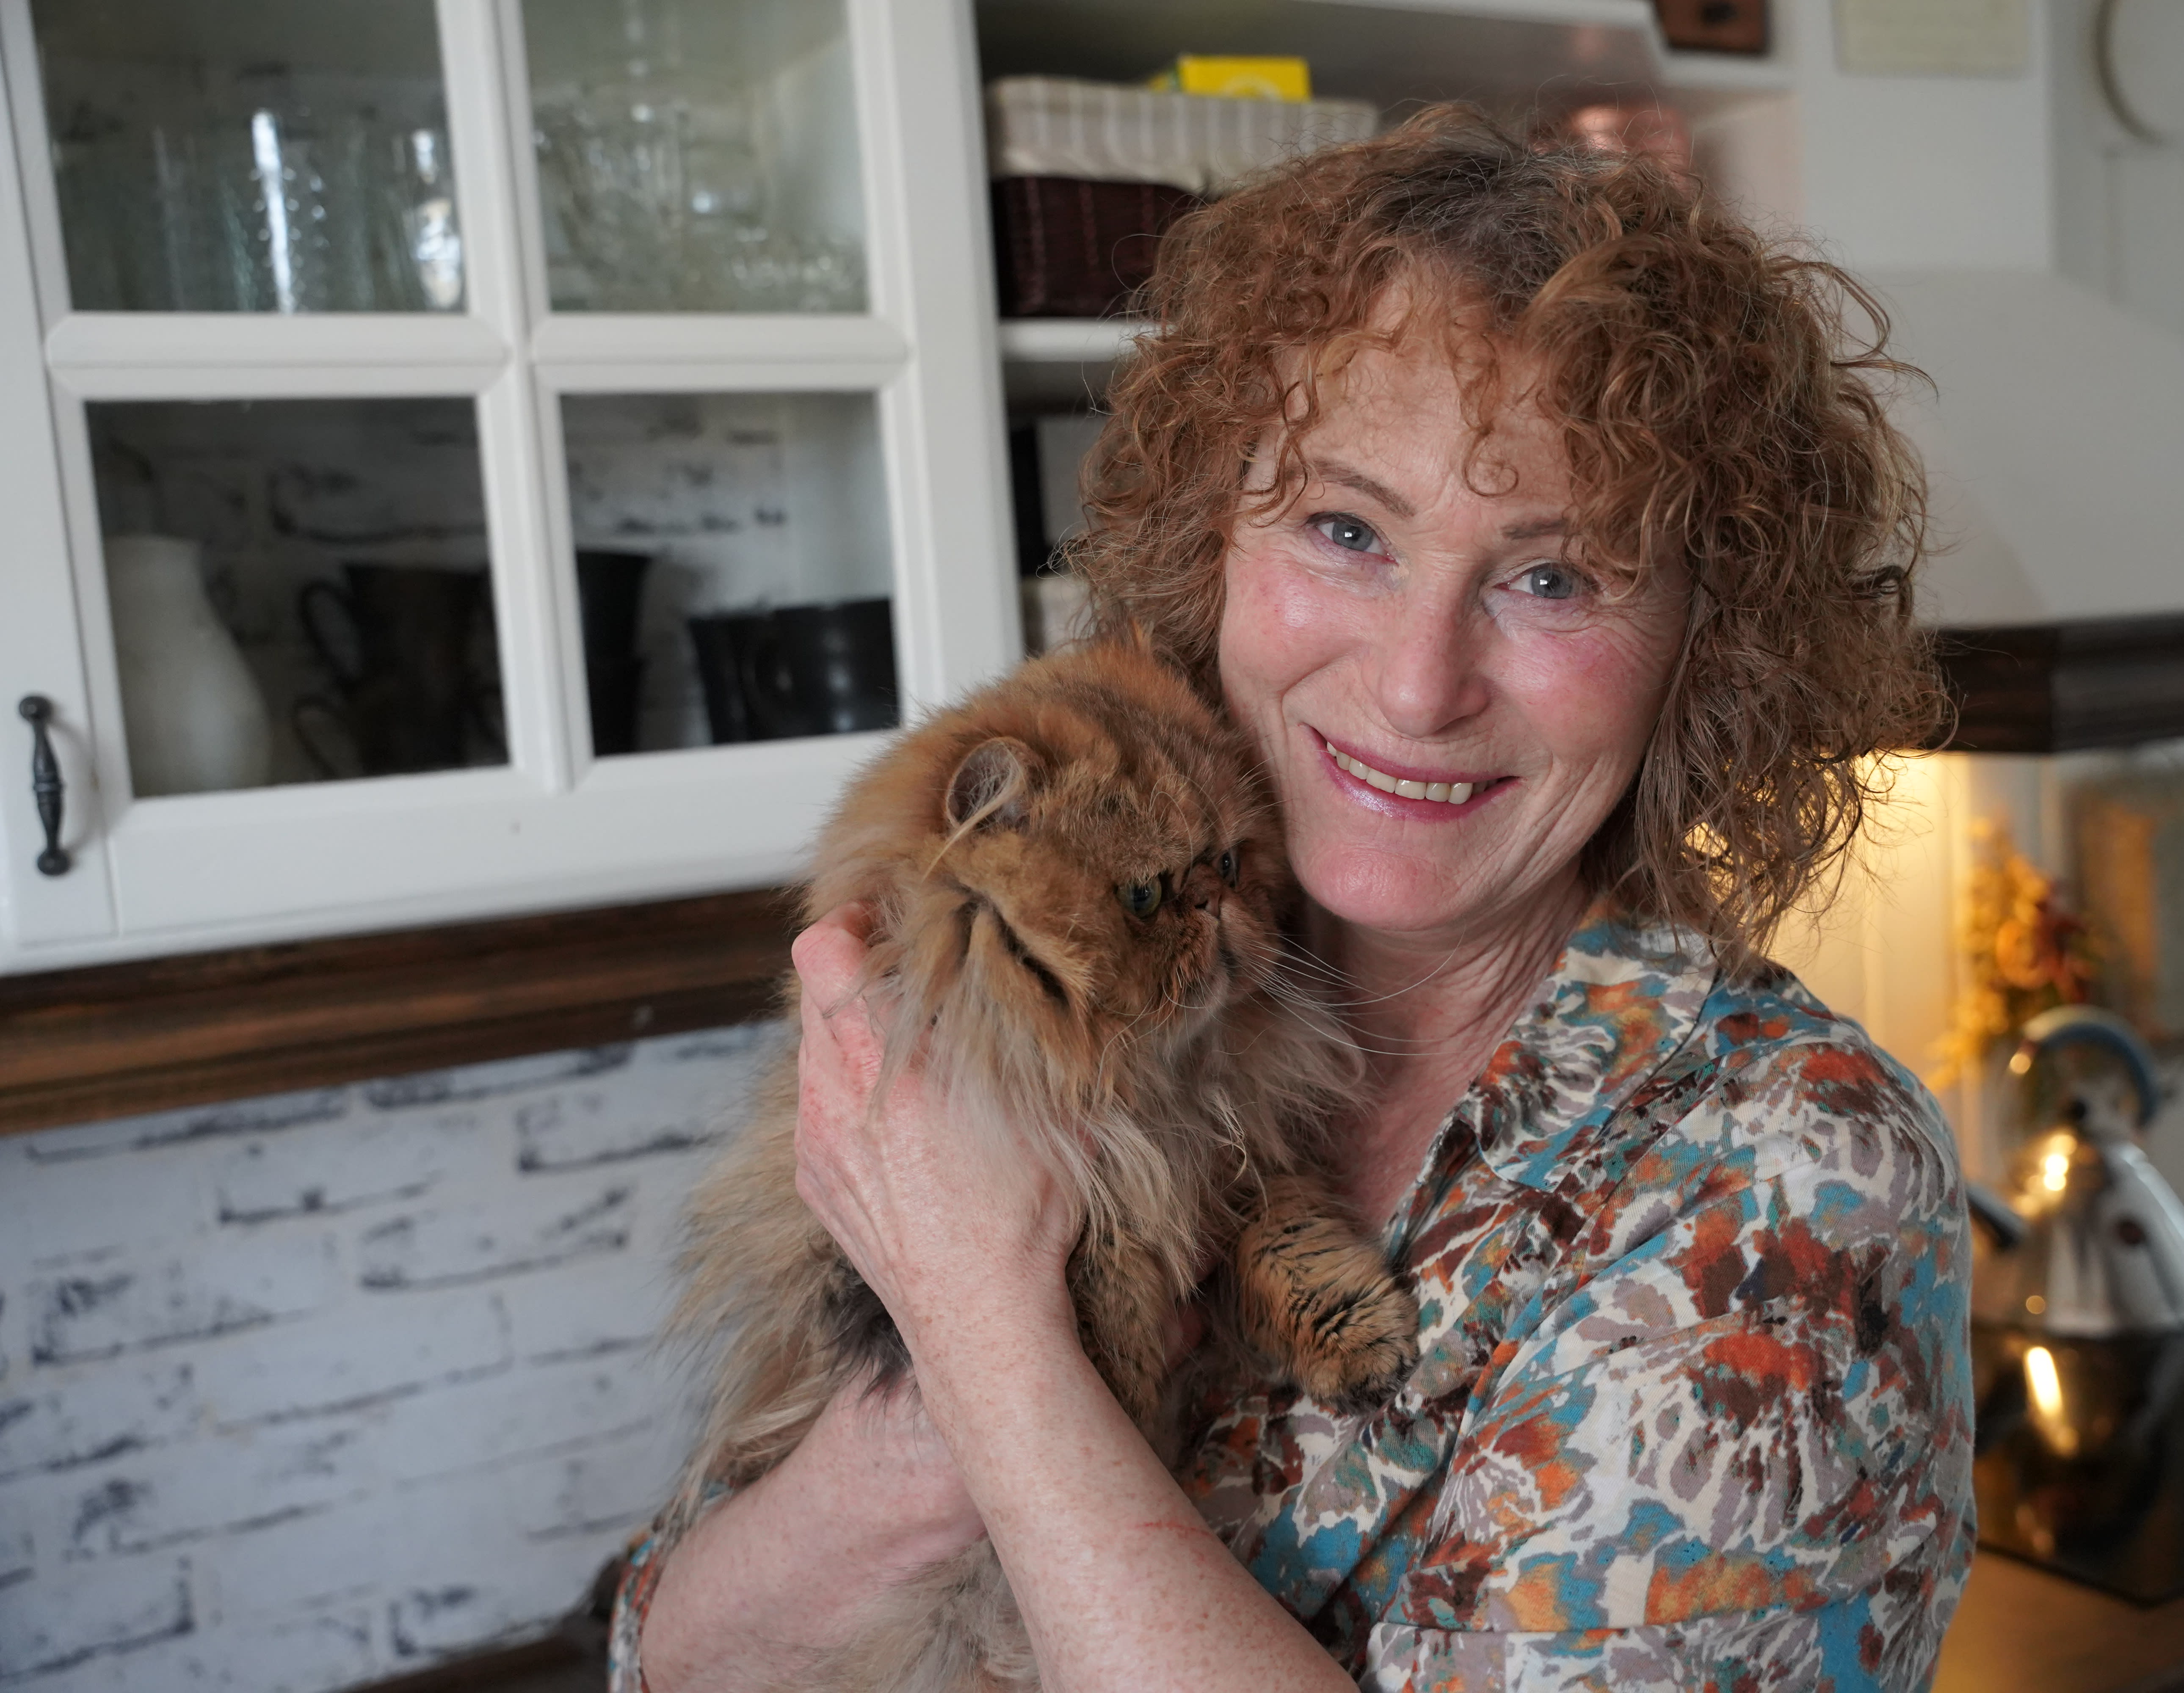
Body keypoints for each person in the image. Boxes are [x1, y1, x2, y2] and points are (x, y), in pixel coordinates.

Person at [615, 106, 1974, 1693]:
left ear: (1706, 650)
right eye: (1346, 530)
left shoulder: (1787, 1180)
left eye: (1551, 577)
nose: (1416, 686)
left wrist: (985, 1328)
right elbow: (668, 1655)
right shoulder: (1040, 999)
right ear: (1212, 543)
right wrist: (919, 1430)